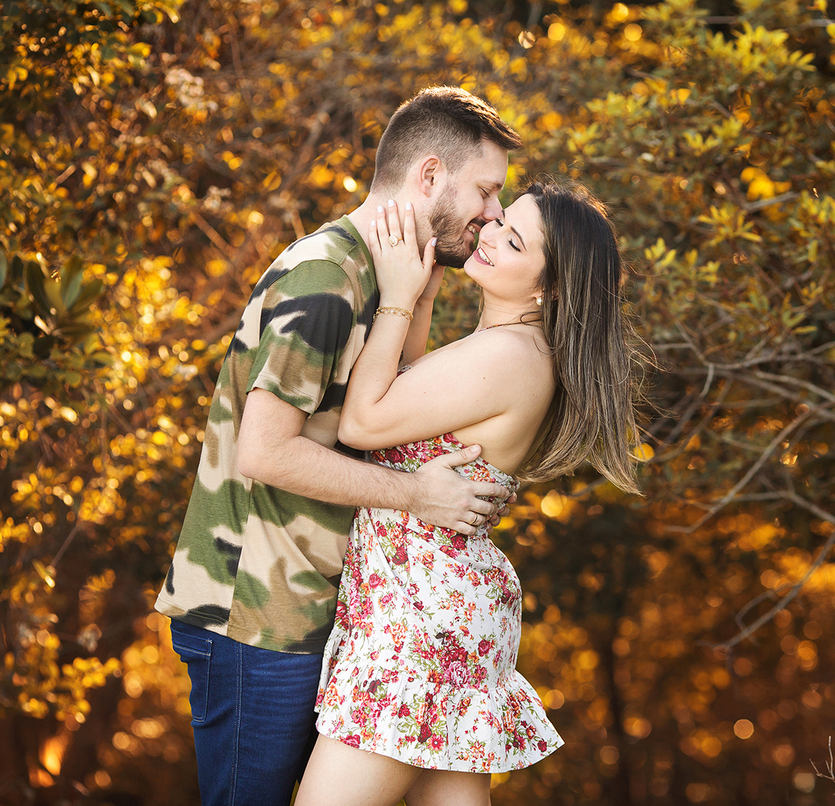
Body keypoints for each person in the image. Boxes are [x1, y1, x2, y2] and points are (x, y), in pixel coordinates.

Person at [155, 86, 523, 806]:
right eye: (485, 191)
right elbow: (265, 451)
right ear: (428, 178)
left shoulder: (382, 275)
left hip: (311, 616)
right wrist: (422, 496)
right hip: (252, 621)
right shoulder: (327, 278)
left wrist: (415, 292)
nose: (492, 215)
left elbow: (383, 411)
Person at [291, 179, 641, 805]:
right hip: (433, 604)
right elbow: (407, 401)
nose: (489, 239)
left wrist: (396, 296)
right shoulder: (508, 348)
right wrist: (420, 300)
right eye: (501, 224)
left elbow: (365, 423)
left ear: (547, 287)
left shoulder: (509, 355)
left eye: (515, 243)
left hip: (420, 617)